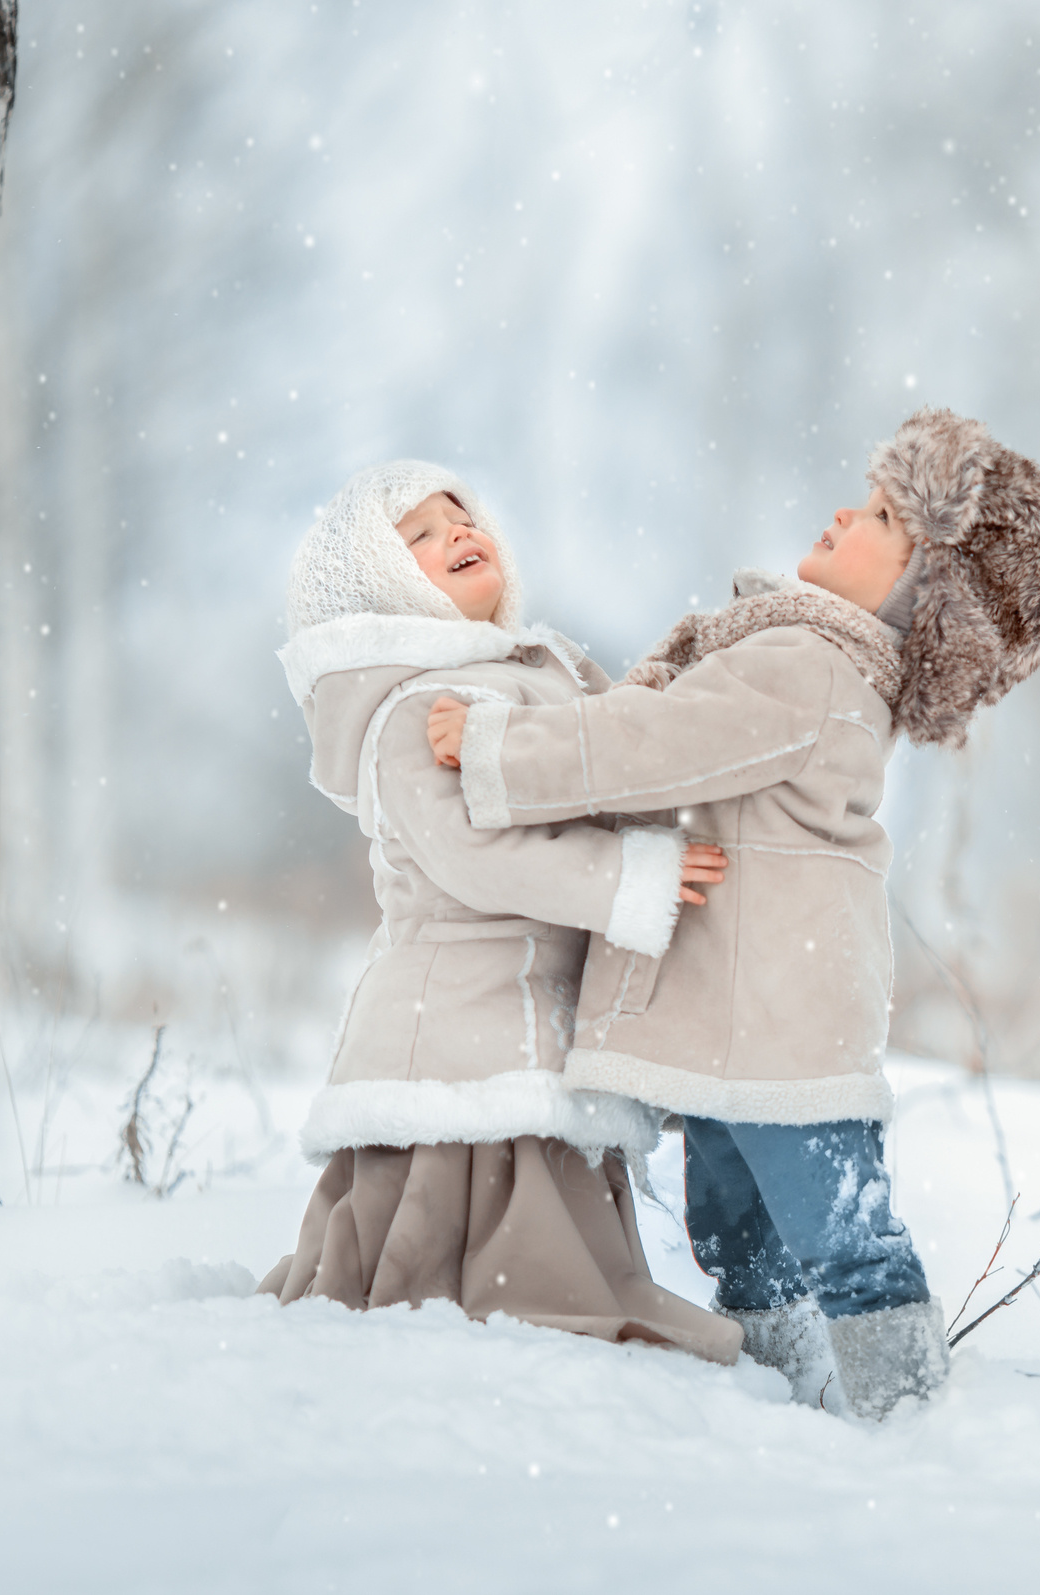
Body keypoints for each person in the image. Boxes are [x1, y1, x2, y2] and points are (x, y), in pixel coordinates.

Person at [424, 408, 1040, 1418]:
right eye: (862, 496)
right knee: (738, 1230)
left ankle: (910, 1414)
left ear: (924, 596)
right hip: (752, 1021)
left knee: (838, 1232)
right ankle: (783, 1395)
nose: (841, 513)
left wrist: (497, 748)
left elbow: (655, 743)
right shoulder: (805, 657)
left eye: (879, 519)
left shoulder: (809, 667)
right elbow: (663, 739)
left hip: (783, 1024)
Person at [260, 461, 741, 1363]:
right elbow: (467, 856)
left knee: (546, 1190)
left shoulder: (535, 677)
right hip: (457, 1010)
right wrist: (628, 876)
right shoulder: (417, 704)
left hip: (535, 1000)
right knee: (465, 1196)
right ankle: (479, 1312)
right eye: (420, 538)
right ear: (379, 584)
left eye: (460, 516)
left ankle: (536, 1300)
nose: (457, 533)